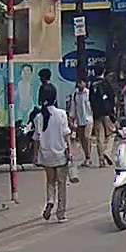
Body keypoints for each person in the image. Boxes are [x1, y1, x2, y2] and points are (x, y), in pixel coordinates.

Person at [32, 89, 72, 222]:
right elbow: (66, 135)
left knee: (50, 182)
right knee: (61, 184)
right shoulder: (61, 114)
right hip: (60, 155)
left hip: (46, 155)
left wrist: (35, 155)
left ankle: (50, 201)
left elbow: (36, 138)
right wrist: (70, 152)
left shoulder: (38, 117)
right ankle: (61, 213)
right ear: (55, 98)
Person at [89, 70, 118, 167]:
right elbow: (111, 98)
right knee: (112, 134)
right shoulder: (106, 83)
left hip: (96, 114)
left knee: (99, 138)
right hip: (107, 113)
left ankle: (101, 160)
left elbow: (90, 100)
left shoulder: (92, 85)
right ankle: (107, 152)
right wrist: (112, 111)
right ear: (103, 72)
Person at [67, 78, 93, 164]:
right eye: (78, 83)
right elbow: (73, 108)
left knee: (86, 137)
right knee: (82, 139)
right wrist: (71, 119)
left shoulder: (89, 93)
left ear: (85, 83)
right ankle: (87, 155)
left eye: (81, 82)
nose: (79, 84)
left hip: (89, 119)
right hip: (80, 120)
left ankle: (88, 157)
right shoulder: (75, 94)